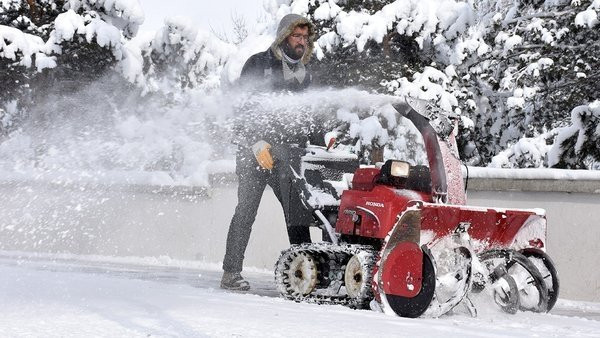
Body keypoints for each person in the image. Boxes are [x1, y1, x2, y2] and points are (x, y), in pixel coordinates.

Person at [221, 14, 318, 291]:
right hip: (255, 152)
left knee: (296, 212)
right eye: (296, 36)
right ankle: (230, 273)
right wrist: (255, 142)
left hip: (285, 155)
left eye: (304, 38)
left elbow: (307, 116)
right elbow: (242, 107)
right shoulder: (258, 64)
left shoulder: (305, 75)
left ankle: (305, 274)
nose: (301, 42)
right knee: (246, 211)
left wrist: (318, 141)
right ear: (283, 36)